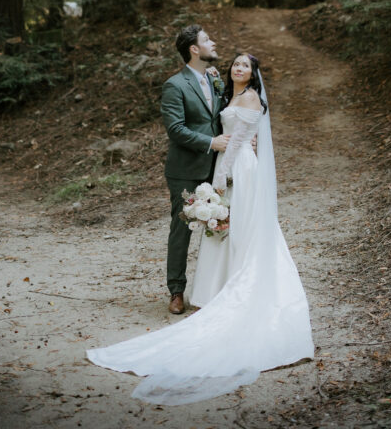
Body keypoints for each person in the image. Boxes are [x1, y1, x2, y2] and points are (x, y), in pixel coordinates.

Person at [86, 47, 314, 405]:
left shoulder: (251, 97)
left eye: (245, 65)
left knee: (239, 230)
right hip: (224, 163)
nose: (239, 67)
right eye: (235, 63)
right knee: (222, 230)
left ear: (253, 74)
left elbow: (239, 140)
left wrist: (220, 179)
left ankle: (234, 287)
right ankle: (212, 291)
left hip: (238, 168)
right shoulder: (228, 92)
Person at [159, 24, 230, 315]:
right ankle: (176, 290)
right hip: (186, 169)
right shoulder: (175, 85)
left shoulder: (214, 79)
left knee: (221, 226)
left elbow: (224, 114)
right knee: (182, 228)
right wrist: (211, 142)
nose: (213, 43)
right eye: (207, 40)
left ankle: (214, 287)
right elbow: (175, 129)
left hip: (216, 169)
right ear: (194, 49)